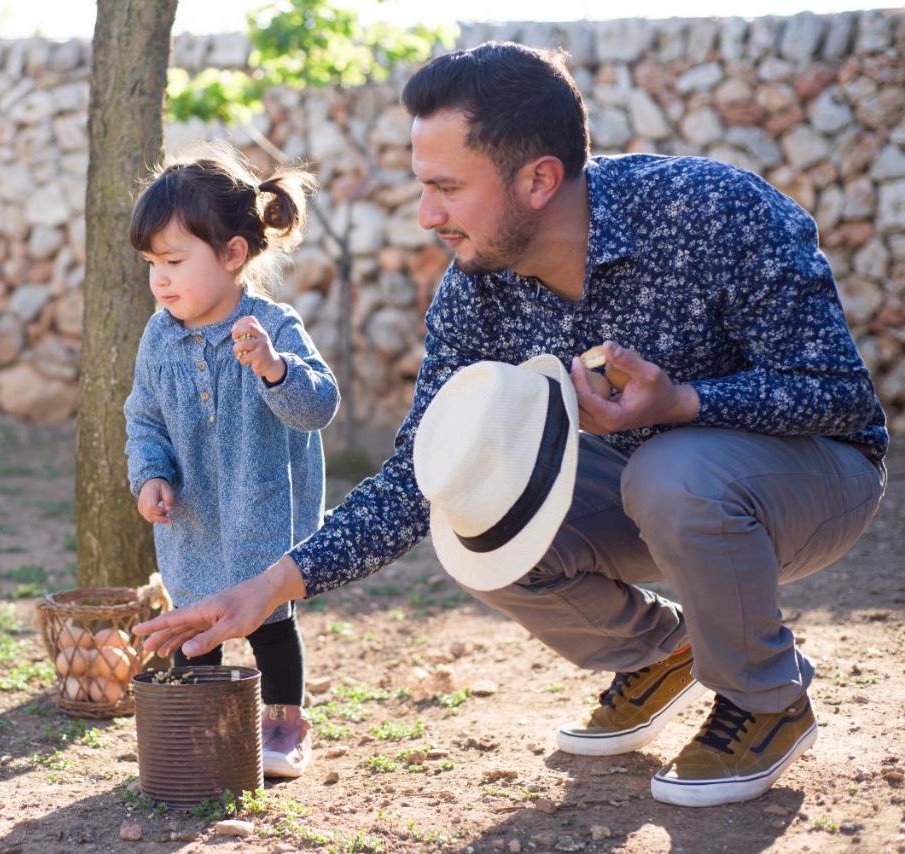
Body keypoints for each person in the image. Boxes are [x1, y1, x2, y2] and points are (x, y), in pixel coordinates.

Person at [136, 43, 889, 807]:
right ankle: (670, 651)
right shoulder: (475, 293)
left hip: (813, 481)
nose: (428, 216)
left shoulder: (714, 211)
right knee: (472, 507)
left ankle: (766, 700)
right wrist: (262, 591)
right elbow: (411, 482)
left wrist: (683, 403)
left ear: (538, 179)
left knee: (674, 470)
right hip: (650, 483)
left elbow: (835, 395)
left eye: (446, 189)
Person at [124, 142, 340, 779]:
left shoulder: (272, 325)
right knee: (195, 626)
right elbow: (144, 417)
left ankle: (284, 721)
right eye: (150, 264)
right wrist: (151, 474)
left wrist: (275, 370)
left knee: (270, 622)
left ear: (233, 255)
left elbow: (318, 406)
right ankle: (200, 724)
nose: (159, 279)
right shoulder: (158, 336)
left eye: (173, 261)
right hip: (192, 520)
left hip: (261, 513)